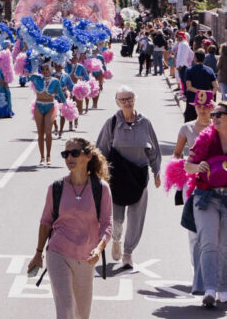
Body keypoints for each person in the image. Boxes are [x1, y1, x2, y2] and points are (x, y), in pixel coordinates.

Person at [28, 137, 112, 319]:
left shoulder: (101, 189)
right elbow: (45, 222)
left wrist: (99, 249)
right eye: (65, 154)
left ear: (88, 156)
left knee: (82, 315)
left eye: (75, 153)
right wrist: (38, 253)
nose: (69, 158)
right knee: (65, 311)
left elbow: (107, 224)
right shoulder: (56, 188)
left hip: (86, 258)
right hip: (58, 253)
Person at [96, 87, 161, 269]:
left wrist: (156, 172)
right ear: (117, 102)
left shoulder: (145, 123)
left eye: (130, 98)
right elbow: (100, 150)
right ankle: (116, 239)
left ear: (135, 100)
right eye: (123, 99)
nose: (127, 102)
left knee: (136, 217)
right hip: (116, 178)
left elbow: (153, 149)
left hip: (139, 177)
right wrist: (99, 176)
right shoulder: (112, 123)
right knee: (116, 218)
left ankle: (128, 253)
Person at [171, 89, 215, 295]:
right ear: (194, 107)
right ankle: (199, 275)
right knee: (194, 233)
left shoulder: (220, 128)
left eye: (206, 107)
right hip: (194, 184)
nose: (203, 110)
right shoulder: (187, 128)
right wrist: (181, 170)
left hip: (216, 185)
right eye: (199, 106)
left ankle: (212, 276)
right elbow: (177, 154)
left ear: (212, 107)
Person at [184, 100, 227, 307]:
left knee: (225, 246)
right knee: (209, 241)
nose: (214, 118)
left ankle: (223, 289)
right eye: (214, 115)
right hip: (206, 197)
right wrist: (197, 166)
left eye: (219, 114)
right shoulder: (205, 139)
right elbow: (187, 166)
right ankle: (209, 290)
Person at [31, 60, 65, 166]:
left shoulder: (55, 81)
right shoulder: (36, 78)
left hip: (50, 106)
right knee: (40, 133)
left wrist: (67, 104)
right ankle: (42, 157)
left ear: (51, 69)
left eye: (47, 69)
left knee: (48, 131)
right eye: (43, 69)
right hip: (38, 106)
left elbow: (61, 95)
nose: (45, 71)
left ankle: (48, 156)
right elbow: (26, 73)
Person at [185, 50, 216, 124]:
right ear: (204, 58)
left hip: (192, 101)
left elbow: (189, 87)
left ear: (195, 58)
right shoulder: (210, 70)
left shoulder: (189, 70)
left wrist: (200, 93)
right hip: (206, 104)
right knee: (206, 125)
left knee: (190, 125)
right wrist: (208, 95)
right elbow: (216, 86)